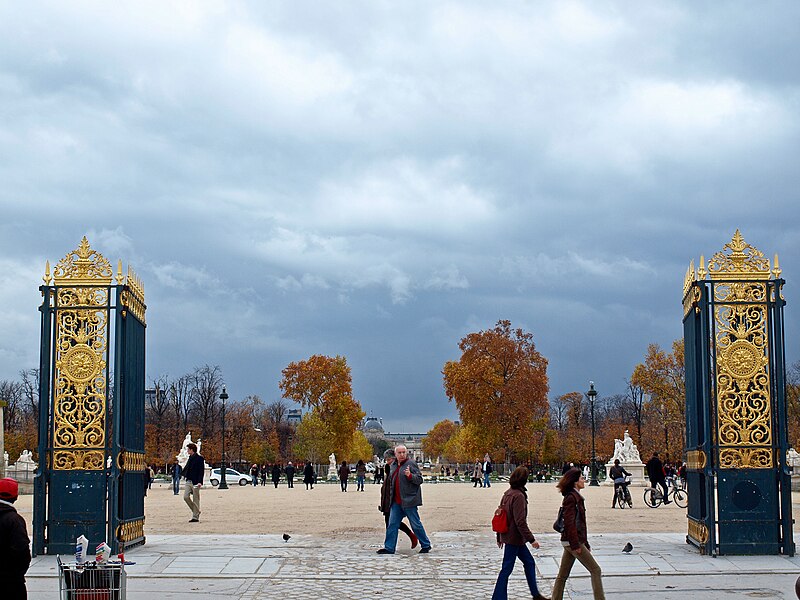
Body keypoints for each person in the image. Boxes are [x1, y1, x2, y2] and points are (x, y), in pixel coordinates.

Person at [492, 466, 549, 600]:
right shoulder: (518, 496)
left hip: (512, 537)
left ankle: (535, 594)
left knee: (529, 562)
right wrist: (532, 539)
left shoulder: (507, 493)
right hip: (515, 538)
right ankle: (498, 598)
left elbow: (500, 516)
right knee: (506, 569)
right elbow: (520, 522)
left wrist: (499, 536)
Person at [551, 468, 605, 600]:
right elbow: (570, 523)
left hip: (570, 541)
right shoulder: (571, 498)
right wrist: (576, 545)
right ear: (575, 482)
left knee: (562, 576)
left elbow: (579, 524)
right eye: (581, 478)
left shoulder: (574, 496)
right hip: (572, 542)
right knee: (595, 570)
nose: (584, 480)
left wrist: (585, 543)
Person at [377, 444, 432, 554]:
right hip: (396, 502)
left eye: (403, 452)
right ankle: (389, 547)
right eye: (399, 453)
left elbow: (420, 479)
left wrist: (410, 475)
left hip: (409, 500)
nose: (402, 454)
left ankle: (426, 544)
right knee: (392, 525)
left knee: (415, 524)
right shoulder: (393, 466)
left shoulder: (411, 464)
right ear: (395, 454)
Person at [378, 448, 417, 549]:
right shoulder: (389, 468)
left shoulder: (395, 469)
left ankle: (390, 546)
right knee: (391, 523)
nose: (387, 462)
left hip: (393, 501)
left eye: (389, 459)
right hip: (387, 500)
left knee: (392, 523)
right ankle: (390, 545)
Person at [0, 478, 31, 600]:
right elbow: (21, 551)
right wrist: (18, 574)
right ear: (15, 496)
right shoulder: (14, 520)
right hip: (9, 581)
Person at [183, 442, 204, 522]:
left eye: (188, 449)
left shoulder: (199, 459)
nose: (187, 451)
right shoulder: (190, 458)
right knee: (186, 497)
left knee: (196, 499)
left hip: (195, 481)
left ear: (192, 450)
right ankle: (196, 511)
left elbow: (201, 471)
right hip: (189, 480)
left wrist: (200, 482)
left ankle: (195, 517)